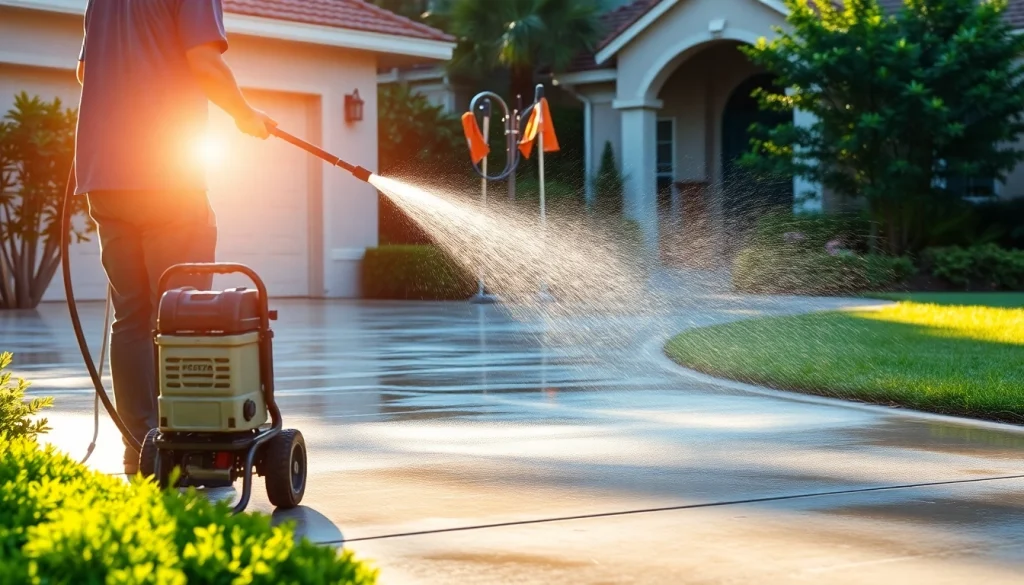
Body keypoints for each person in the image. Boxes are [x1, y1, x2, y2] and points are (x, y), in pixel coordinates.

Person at [75, 0, 276, 475]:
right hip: (166, 173)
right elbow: (204, 59)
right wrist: (244, 114)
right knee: (182, 313)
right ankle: (184, 449)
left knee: (132, 313)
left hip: (103, 176)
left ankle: (140, 449)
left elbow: (85, 72)